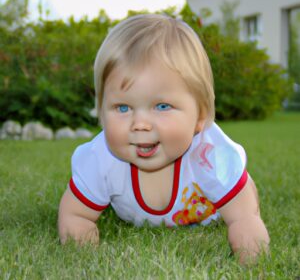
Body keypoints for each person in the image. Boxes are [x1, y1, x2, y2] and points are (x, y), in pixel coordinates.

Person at [58, 14, 269, 264]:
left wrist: (251, 262)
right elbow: (75, 214)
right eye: (123, 108)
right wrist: (85, 258)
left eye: (162, 106)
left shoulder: (210, 156)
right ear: (102, 111)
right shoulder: (101, 160)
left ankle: (244, 185)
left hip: (210, 209)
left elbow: (243, 219)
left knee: (246, 199)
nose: (141, 124)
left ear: (200, 115)